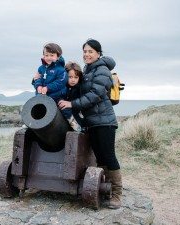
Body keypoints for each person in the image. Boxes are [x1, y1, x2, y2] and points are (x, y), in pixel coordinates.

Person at [58, 39, 122, 209]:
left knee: (108, 156)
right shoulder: (87, 70)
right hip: (92, 122)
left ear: (98, 53)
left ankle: (116, 194)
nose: (86, 54)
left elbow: (95, 95)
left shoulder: (102, 70)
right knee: (100, 158)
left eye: (90, 51)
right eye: (85, 51)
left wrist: (72, 104)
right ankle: (104, 188)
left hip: (104, 121)